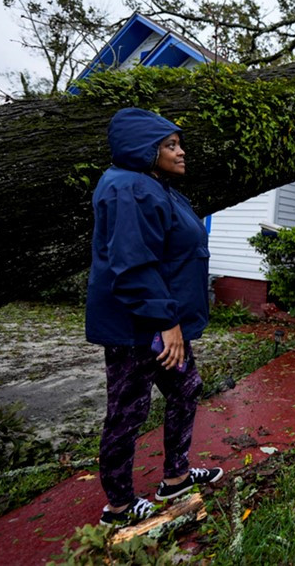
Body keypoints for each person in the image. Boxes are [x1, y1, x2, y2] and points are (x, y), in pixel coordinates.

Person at [86, 107, 223, 527]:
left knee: (186, 388)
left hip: (163, 320)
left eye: (178, 143)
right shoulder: (128, 188)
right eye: (171, 145)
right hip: (138, 327)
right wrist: (167, 323)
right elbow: (133, 266)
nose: (181, 152)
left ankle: (176, 478)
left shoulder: (152, 185)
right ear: (145, 149)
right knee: (128, 412)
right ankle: (119, 508)